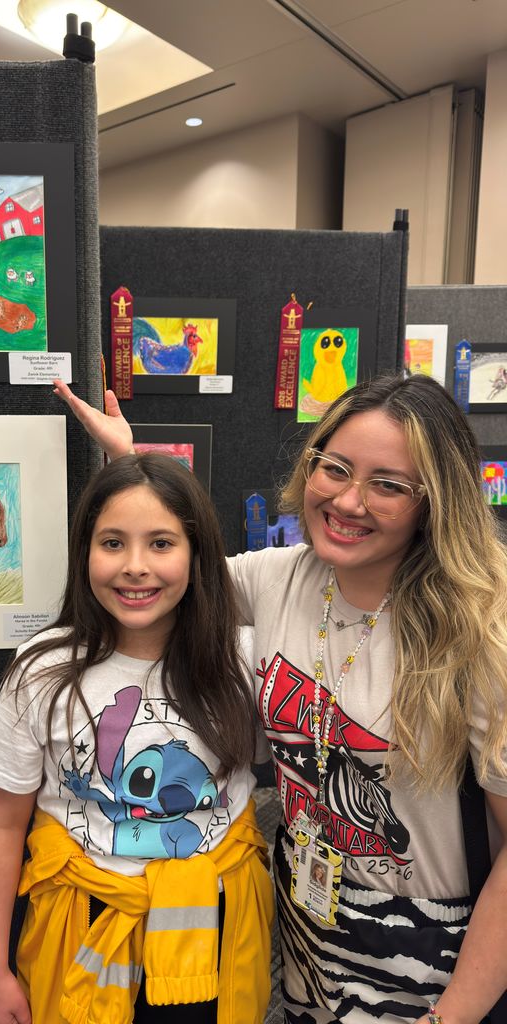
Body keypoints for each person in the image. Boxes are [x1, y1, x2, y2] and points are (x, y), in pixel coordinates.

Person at [53, 372, 507, 1024]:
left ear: (436, 501)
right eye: (336, 468)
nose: (349, 501)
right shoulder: (277, 581)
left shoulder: (483, 632)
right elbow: (163, 568)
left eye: (387, 485)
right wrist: (128, 466)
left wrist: (453, 1016)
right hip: (303, 930)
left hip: (430, 956)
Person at [0, 454, 274, 1024]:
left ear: (198, 554)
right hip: (82, 926)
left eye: (161, 543)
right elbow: (2, 823)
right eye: (112, 543)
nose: (136, 566)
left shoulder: (244, 660)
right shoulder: (42, 670)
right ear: (84, 551)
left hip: (214, 924)